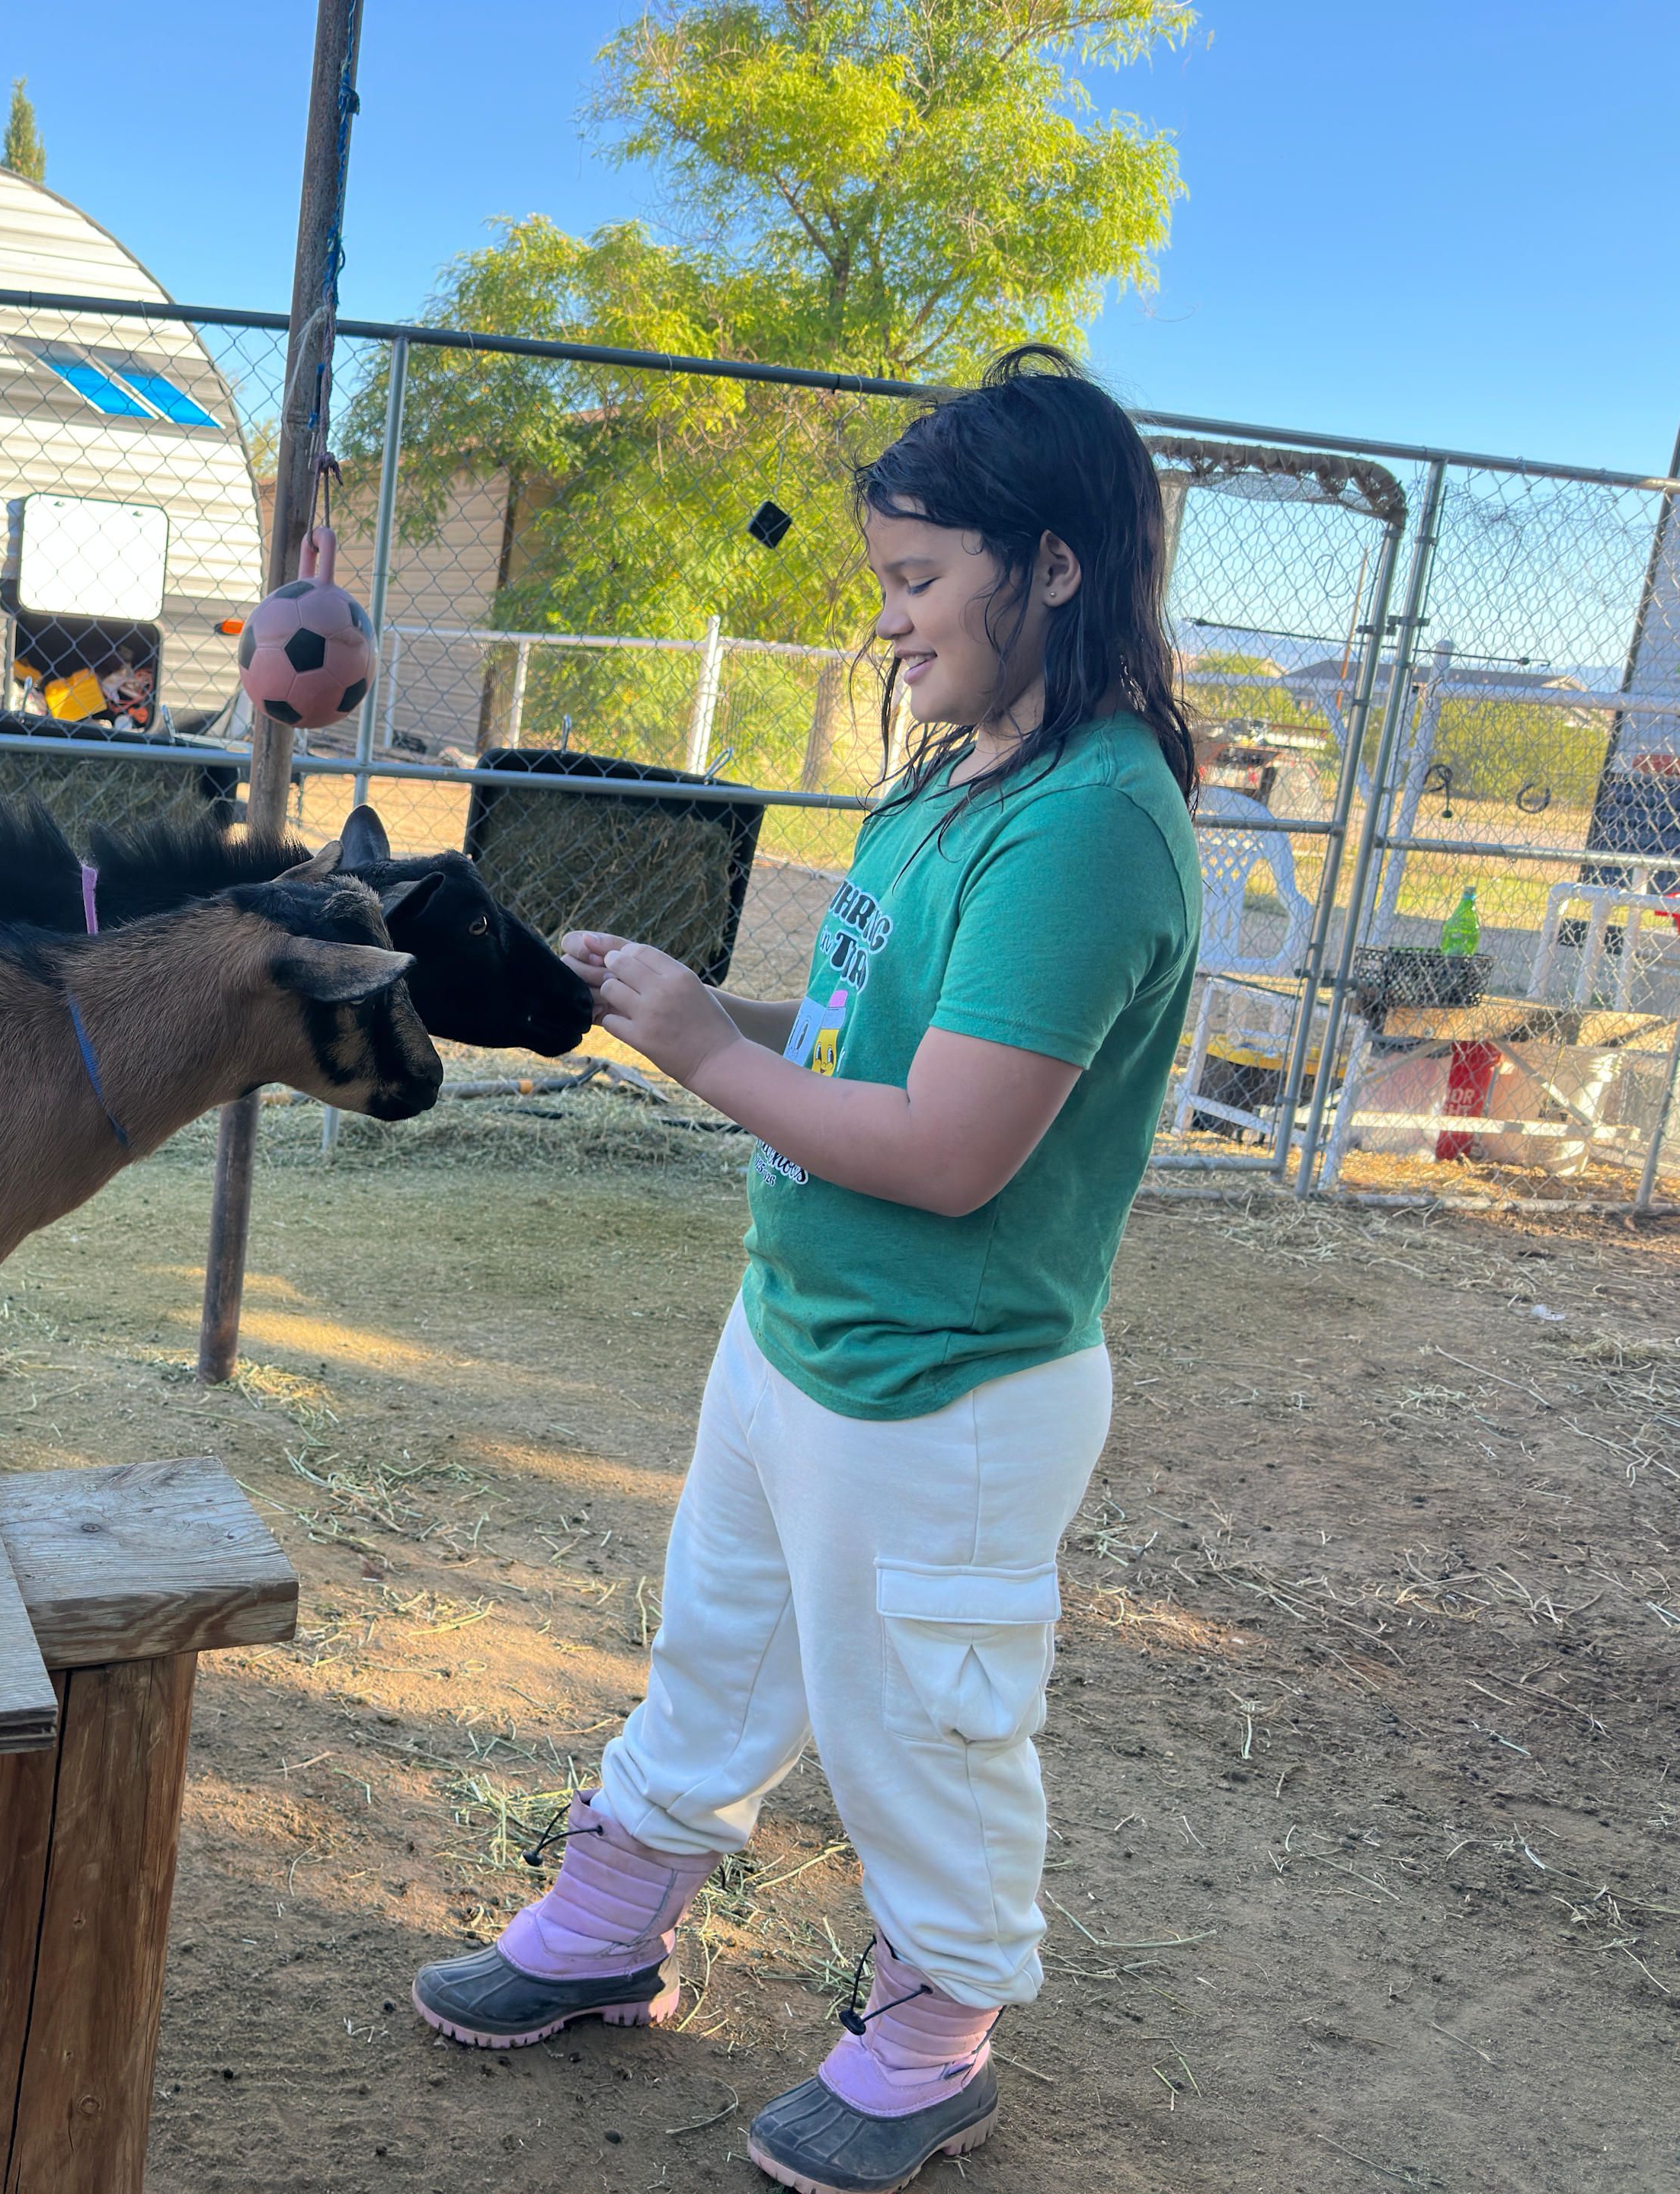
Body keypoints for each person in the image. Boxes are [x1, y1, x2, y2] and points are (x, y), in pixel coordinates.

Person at [409, 347, 1202, 2194]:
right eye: (885, 581)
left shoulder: (1085, 825)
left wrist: (704, 1054)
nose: (891, 618)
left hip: (950, 1378)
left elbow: (946, 1149)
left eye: (921, 579)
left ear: (1055, 567)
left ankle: (939, 2025)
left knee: (925, 1716)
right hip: (800, 1329)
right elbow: (864, 1052)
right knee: (725, 1639)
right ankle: (620, 1908)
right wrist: (685, 1012)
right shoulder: (947, 786)